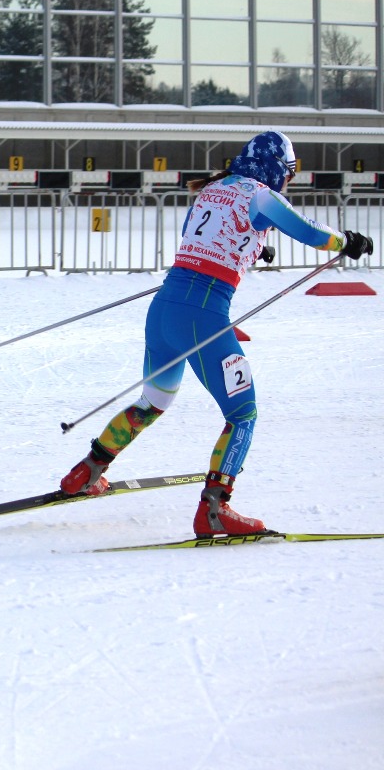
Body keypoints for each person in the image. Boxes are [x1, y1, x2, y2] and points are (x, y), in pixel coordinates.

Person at [57, 131, 375, 538]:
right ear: (277, 169)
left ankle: (86, 472)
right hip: (203, 317)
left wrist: (256, 247)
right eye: (289, 174)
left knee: (151, 403)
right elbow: (310, 231)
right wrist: (347, 240)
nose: (288, 182)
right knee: (243, 414)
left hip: (163, 312)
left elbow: (208, 237)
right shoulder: (262, 194)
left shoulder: (213, 189)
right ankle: (215, 509)